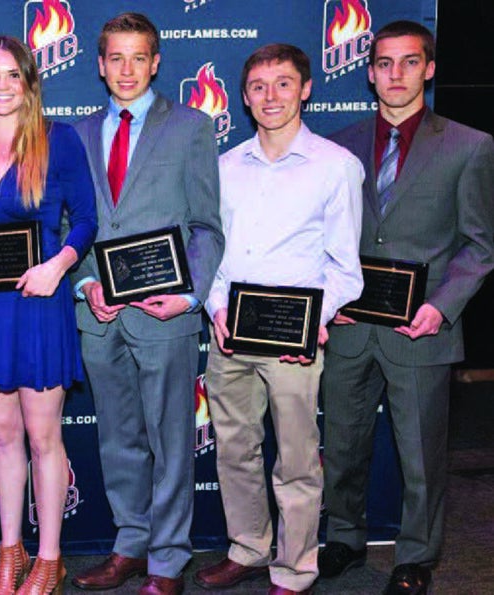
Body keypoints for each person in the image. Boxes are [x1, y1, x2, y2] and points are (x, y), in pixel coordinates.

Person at [318, 21, 494, 595]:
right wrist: (325, 300)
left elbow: (478, 245)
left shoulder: (469, 146)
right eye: (385, 63)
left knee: (421, 454)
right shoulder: (337, 145)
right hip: (347, 327)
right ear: (368, 72)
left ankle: (416, 555)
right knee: (342, 446)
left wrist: (442, 308)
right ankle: (343, 537)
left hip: (422, 329)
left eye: (410, 63)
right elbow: (316, 236)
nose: (397, 75)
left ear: (430, 68)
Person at [193, 44, 364, 595]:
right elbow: (212, 251)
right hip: (229, 334)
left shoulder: (337, 167)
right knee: (234, 448)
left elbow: (346, 268)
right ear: (243, 97)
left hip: (296, 340)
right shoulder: (223, 167)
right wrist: (216, 306)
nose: (271, 96)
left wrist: (318, 319)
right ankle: (247, 547)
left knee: (295, 461)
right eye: (260, 87)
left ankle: (295, 568)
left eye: (283, 84)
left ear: (306, 88)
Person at [68, 12, 222, 595]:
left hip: (165, 313)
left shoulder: (190, 127)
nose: (126, 69)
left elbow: (207, 225)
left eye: (139, 57)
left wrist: (188, 297)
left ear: (155, 62)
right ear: (100, 64)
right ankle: (130, 543)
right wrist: (86, 283)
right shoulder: (75, 134)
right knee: (117, 437)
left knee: (171, 438)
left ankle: (168, 559)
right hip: (99, 313)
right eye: (116, 58)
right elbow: (69, 226)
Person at [0, 35, 97, 595]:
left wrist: (60, 264)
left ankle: (50, 559)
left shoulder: (60, 141)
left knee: (42, 437)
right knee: (3, 437)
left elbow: (84, 219)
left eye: (12, 75)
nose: (1, 86)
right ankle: (11, 554)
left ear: (30, 82)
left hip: (38, 302)